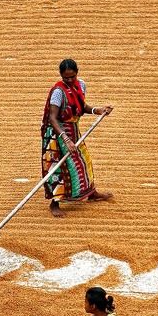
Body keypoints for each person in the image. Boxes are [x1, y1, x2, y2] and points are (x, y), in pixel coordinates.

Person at [41, 59, 114, 218]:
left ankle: (91, 193)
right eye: (66, 77)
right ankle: (55, 203)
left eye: (72, 77)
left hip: (73, 129)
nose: (69, 80)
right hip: (57, 133)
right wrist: (65, 139)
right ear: (61, 75)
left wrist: (97, 110)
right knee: (59, 167)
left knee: (84, 160)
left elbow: (82, 107)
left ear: (77, 73)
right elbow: (53, 118)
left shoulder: (80, 85)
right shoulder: (58, 92)